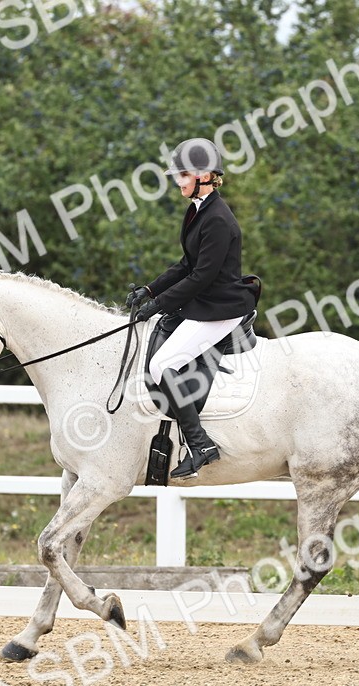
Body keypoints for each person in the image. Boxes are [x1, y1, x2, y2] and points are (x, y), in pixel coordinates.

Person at [127, 138, 258, 479]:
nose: (178, 181)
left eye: (183, 175)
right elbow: (187, 264)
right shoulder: (198, 210)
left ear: (204, 176)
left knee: (162, 364)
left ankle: (200, 445)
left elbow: (201, 277)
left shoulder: (218, 219)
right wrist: (149, 289)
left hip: (221, 307)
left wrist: (157, 305)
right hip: (205, 302)